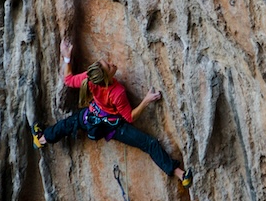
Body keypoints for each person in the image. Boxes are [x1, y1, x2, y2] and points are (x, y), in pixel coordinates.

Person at [33, 40, 192, 187]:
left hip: (91, 117)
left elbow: (68, 80)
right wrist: (146, 101)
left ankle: (41, 138)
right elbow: (129, 117)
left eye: (107, 63)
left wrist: (67, 57)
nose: (111, 64)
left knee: (68, 124)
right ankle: (181, 175)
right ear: (107, 78)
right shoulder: (117, 92)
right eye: (109, 66)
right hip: (113, 127)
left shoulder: (91, 78)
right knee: (150, 144)